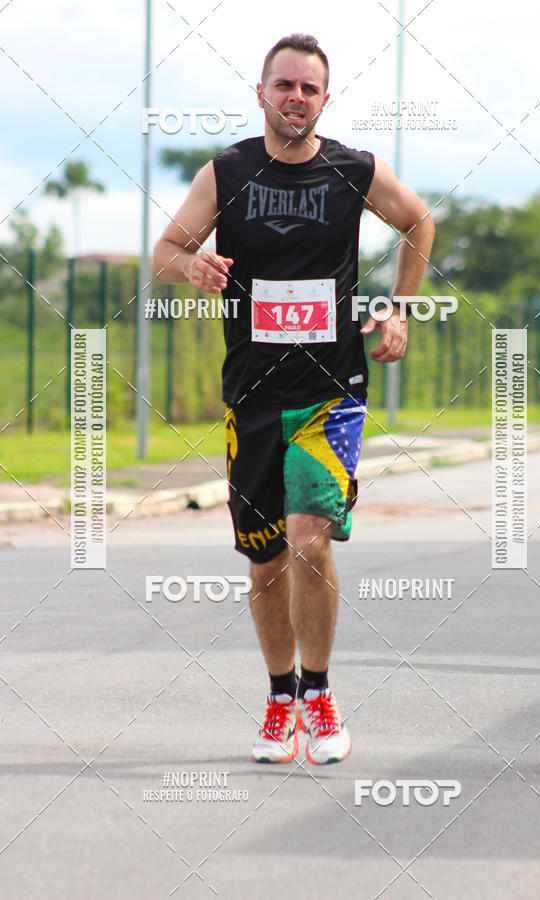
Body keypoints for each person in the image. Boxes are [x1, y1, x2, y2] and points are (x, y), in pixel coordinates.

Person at [152, 33, 435, 764]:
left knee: (309, 541)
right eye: (284, 85)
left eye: (309, 88)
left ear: (325, 100)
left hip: (330, 393)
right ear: (261, 93)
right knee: (267, 559)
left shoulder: (353, 170)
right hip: (252, 396)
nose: (296, 98)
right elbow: (165, 253)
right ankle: (280, 696)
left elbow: (418, 221)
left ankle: (319, 690)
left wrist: (400, 309)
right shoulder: (228, 172)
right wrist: (193, 266)